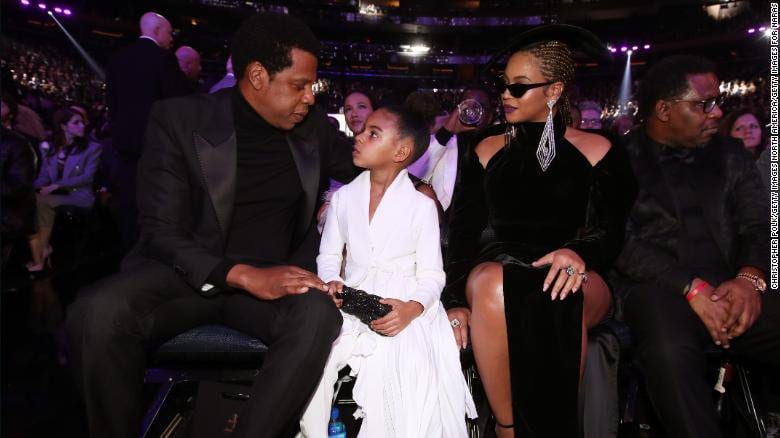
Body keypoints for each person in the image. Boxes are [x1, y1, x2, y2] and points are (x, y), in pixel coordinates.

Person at [66, 13, 356, 438]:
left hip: (273, 282)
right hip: (184, 276)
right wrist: (241, 274)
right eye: (299, 85)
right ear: (257, 76)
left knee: (318, 314)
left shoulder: (314, 129)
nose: (310, 98)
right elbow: (161, 230)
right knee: (95, 312)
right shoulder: (179, 118)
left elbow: (370, 164)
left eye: (311, 86)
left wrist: (418, 184)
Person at [441, 25, 636, 437]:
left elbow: (611, 231)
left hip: (578, 269)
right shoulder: (482, 146)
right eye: (503, 86)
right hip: (498, 272)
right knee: (494, 283)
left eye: (519, 86)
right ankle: (507, 428)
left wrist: (578, 253)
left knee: (559, 287)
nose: (505, 95)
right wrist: (455, 299)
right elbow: (462, 233)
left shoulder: (599, 148)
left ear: (554, 90)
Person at [611, 55, 780, 438]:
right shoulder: (617, 160)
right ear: (664, 110)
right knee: (668, 349)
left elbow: (759, 224)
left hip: (735, 290)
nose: (717, 112)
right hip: (659, 291)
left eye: (717, 102)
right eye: (704, 104)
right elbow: (620, 243)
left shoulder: (732, 155)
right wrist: (690, 286)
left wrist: (749, 278)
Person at [299, 106, 476, 437]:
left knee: (404, 363)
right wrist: (331, 281)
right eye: (363, 130)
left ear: (400, 152)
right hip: (350, 296)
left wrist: (412, 309)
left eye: (373, 134)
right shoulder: (343, 198)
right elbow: (329, 254)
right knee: (314, 356)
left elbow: (432, 274)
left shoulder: (421, 206)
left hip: (405, 299)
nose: (359, 137)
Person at [106, 11, 191, 251]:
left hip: (124, 145)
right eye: (169, 33)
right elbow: (177, 102)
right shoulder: (163, 59)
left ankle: (128, 251)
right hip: (156, 149)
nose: (172, 38)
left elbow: (111, 101)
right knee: (155, 207)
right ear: (157, 31)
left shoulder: (119, 58)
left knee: (129, 204)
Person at [27, 108, 102, 274]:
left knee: (41, 201)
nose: (82, 125)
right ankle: (42, 251)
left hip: (79, 195)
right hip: (56, 195)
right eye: (76, 122)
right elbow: (44, 176)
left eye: (82, 122)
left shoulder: (92, 148)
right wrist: (29, 188)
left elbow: (87, 178)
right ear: (63, 126)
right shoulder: (51, 147)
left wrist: (57, 186)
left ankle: (41, 254)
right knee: (31, 200)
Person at [408, 86, 496, 212]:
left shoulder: (501, 147)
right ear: (457, 109)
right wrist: (445, 133)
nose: (472, 111)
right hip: (447, 220)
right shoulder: (441, 141)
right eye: (467, 105)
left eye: (480, 106)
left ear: (490, 116)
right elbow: (413, 174)